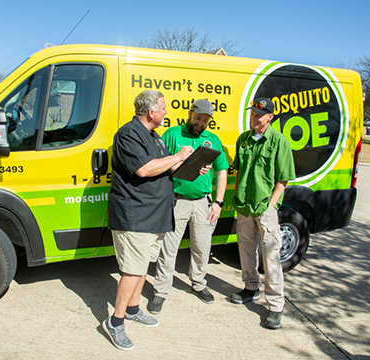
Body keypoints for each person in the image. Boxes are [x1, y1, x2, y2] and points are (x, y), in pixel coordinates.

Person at [104, 90, 195, 351]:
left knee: (143, 266)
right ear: (151, 112)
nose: (166, 112)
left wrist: (189, 164)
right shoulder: (128, 134)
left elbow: (164, 166)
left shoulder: (154, 136)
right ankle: (116, 321)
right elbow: (144, 169)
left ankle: (132, 309)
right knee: (132, 270)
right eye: (163, 108)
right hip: (136, 215)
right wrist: (178, 156)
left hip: (155, 214)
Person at [148, 99, 229, 314]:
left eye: (205, 120)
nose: (201, 123)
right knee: (168, 249)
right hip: (176, 201)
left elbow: (222, 171)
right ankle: (161, 291)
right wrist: (183, 164)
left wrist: (219, 203)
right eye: (198, 118)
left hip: (203, 203)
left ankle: (199, 283)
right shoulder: (172, 134)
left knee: (202, 248)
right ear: (189, 113)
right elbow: (159, 166)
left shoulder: (213, 139)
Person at [229, 97, 295, 330]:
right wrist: (237, 195)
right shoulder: (243, 140)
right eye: (253, 113)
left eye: (259, 114)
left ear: (270, 117)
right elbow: (239, 171)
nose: (254, 118)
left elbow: (283, 179)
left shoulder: (279, 142)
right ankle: (250, 288)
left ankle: (275, 305)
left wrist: (271, 205)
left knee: (271, 256)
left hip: (265, 207)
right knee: (246, 249)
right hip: (244, 205)